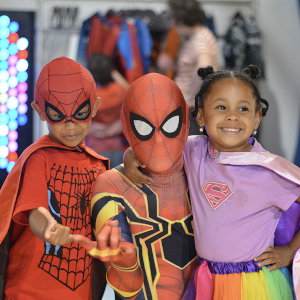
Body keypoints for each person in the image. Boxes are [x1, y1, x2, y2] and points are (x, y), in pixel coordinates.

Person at [125, 65, 300, 299]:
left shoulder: (270, 169)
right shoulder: (192, 150)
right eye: (221, 107)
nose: (232, 116)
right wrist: (130, 155)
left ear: (257, 118)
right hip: (208, 279)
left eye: (243, 108)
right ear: (200, 115)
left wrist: (289, 250)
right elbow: (157, 148)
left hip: (254, 283)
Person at [74, 73, 198, 300]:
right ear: (127, 125)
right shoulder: (112, 187)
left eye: (170, 124)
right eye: (144, 127)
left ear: (185, 120)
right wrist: (125, 266)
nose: (159, 140)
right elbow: (126, 289)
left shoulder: (204, 165)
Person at [0, 56, 110, 300]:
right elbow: (35, 211)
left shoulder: (97, 165)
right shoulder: (39, 158)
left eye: (80, 114)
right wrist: (47, 229)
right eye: (58, 116)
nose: (70, 127)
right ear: (40, 111)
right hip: (29, 290)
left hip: (80, 291)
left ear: (94, 107)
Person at [157, 0, 219, 135]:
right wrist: (173, 66)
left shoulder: (199, 40)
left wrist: (191, 95)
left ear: (180, 19)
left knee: (190, 151)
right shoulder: (199, 35)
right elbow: (194, 69)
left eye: (172, 17)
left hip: (192, 109)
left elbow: (204, 68)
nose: (171, 21)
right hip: (192, 107)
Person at [85, 53, 129, 168]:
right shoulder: (120, 91)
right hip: (117, 146)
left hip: (94, 147)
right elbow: (129, 89)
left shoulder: (90, 97)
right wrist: (113, 72)